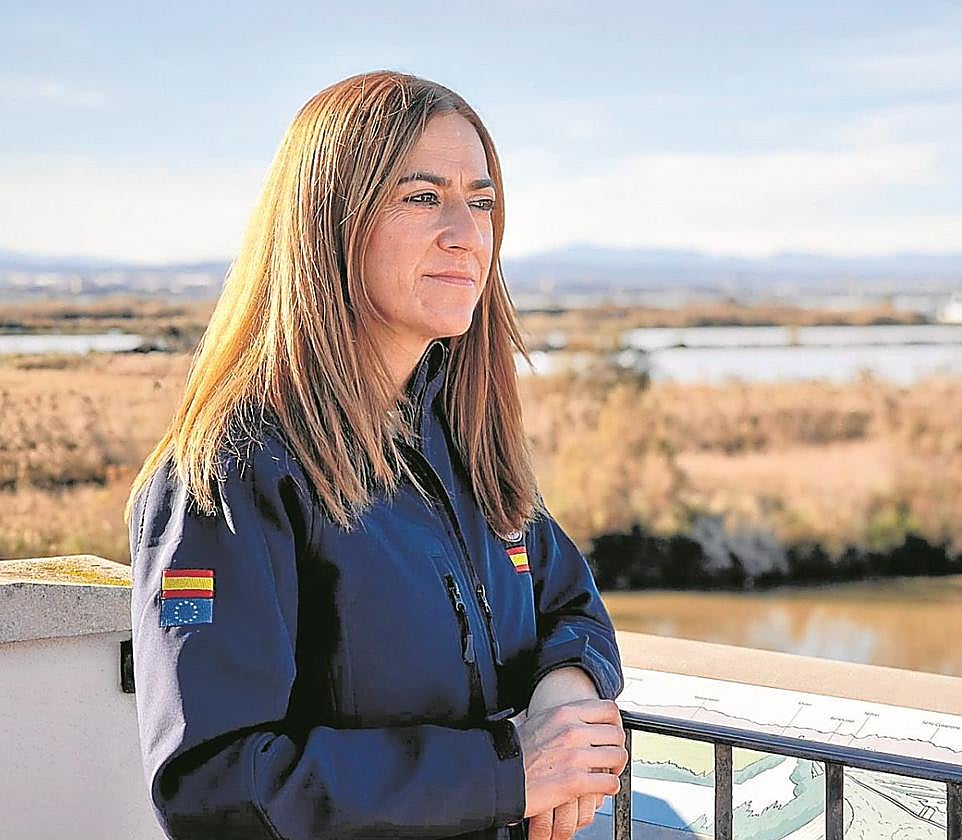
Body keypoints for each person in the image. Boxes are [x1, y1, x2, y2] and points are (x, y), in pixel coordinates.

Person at [123, 70, 628, 840]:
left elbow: (567, 599)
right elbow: (217, 784)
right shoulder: (234, 472)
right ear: (331, 221)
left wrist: (564, 689)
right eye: (422, 197)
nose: (468, 233)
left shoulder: (455, 444)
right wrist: (507, 770)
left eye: (482, 201)